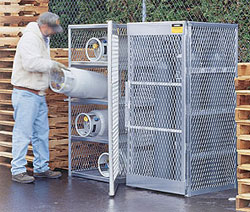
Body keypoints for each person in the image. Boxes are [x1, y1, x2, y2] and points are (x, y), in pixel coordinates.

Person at [11, 12, 65, 183]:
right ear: (44, 26)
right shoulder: (30, 38)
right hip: (26, 93)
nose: (55, 32)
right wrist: (52, 65)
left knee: (41, 134)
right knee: (23, 133)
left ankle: (41, 168)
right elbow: (30, 63)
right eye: (53, 28)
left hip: (38, 94)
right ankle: (18, 170)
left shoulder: (43, 39)